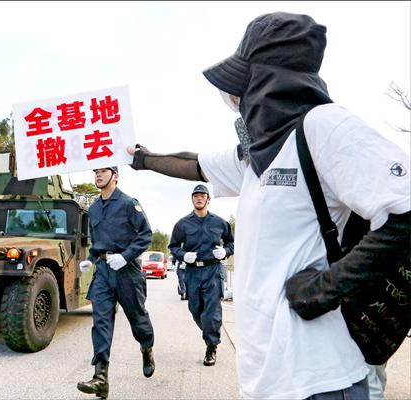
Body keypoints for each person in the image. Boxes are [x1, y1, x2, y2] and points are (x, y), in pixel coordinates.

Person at [128, 12, 410, 399]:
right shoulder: (255, 159)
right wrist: (143, 159)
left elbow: (405, 212)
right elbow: (195, 162)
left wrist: (326, 288)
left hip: (320, 380)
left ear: (268, 82)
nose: (236, 99)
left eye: (241, 85)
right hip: (266, 379)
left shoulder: (323, 127)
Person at [77, 166, 155, 399]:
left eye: (103, 171)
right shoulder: (93, 208)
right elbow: (95, 241)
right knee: (100, 321)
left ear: (116, 176)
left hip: (127, 271)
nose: (98, 175)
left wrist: (126, 256)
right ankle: (101, 377)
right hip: (103, 272)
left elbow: (146, 234)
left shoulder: (129, 204)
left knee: (137, 318)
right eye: (95, 172)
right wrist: (90, 260)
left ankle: (146, 347)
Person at [168, 184, 234, 366]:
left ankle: (211, 346)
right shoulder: (182, 224)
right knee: (196, 309)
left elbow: (232, 243)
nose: (199, 198)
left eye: (202, 195)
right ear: (192, 199)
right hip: (193, 272)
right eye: (196, 196)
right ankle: (209, 335)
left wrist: (226, 251)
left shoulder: (220, 223)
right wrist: (183, 255)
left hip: (213, 271)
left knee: (212, 312)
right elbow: (173, 247)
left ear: (208, 199)